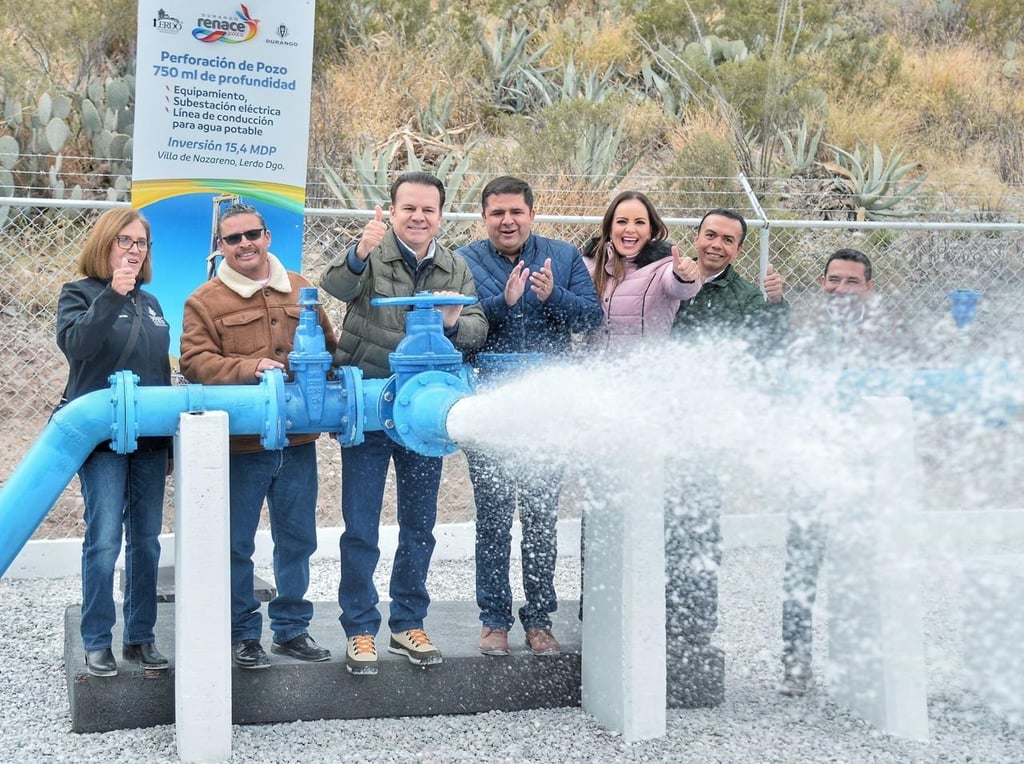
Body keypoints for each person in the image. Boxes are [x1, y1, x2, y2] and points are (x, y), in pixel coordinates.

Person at [321, 171, 487, 676]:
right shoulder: (372, 252)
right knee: (362, 525)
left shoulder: (454, 265)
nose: (418, 217)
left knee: (420, 526)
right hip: (370, 409)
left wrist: (454, 321)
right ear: (392, 211)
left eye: (428, 210)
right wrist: (357, 252)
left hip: (423, 416)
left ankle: (407, 623)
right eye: (409, 208)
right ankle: (360, 630)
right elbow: (334, 284)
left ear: (440, 215)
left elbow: (477, 327)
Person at [179, 203, 337, 670]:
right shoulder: (204, 301)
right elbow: (194, 362)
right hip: (241, 445)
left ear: (268, 236)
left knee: (298, 538)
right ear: (221, 247)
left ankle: (292, 630)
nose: (245, 244)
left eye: (253, 234)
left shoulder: (303, 288)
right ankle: (243, 634)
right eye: (234, 238)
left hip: (298, 443)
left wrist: (332, 400)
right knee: (235, 543)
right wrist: (250, 368)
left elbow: (329, 348)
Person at [457, 176, 603, 657]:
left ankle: (539, 621)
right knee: (493, 519)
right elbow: (460, 330)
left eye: (516, 211)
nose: (507, 221)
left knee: (540, 517)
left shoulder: (561, 257)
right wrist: (506, 303)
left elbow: (591, 318)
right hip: (491, 409)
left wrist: (551, 296)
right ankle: (493, 620)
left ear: (532, 214)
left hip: (547, 413)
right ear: (484, 218)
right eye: (497, 213)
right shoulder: (464, 262)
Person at [665, 209, 789, 665]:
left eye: (728, 240)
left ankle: (694, 632)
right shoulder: (670, 270)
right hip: (652, 424)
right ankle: (641, 619)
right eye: (710, 235)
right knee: (648, 527)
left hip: (701, 435)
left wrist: (778, 308)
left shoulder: (745, 296)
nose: (717, 244)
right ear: (697, 237)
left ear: (739, 249)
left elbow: (768, 351)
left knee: (696, 532)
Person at [56, 207, 171, 677]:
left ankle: (140, 638)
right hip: (102, 443)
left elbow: (160, 374)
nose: (132, 250)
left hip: (148, 442)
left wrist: (167, 445)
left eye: (140, 243)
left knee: (146, 542)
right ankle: (97, 639)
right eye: (124, 240)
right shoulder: (77, 294)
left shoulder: (153, 302)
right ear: (104, 243)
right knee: (104, 539)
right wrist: (111, 296)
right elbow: (77, 347)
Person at [780, 248, 880, 696]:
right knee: (802, 567)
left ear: (869, 288)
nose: (840, 289)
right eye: (833, 280)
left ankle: (866, 663)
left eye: (851, 282)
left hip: (868, 472)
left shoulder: (887, 336)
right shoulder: (802, 333)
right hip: (814, 470)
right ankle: (795, 663)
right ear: (822, 283)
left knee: (868, 565)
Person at [581, 190, 702, 348]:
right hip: (592, 369)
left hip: (643, 370)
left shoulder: (662, 267)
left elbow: (681, 289)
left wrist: (684, 276)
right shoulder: (587, 263)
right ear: (610, 228)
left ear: (650, 230)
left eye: (639, 222)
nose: (630, 229)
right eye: (622, 221)